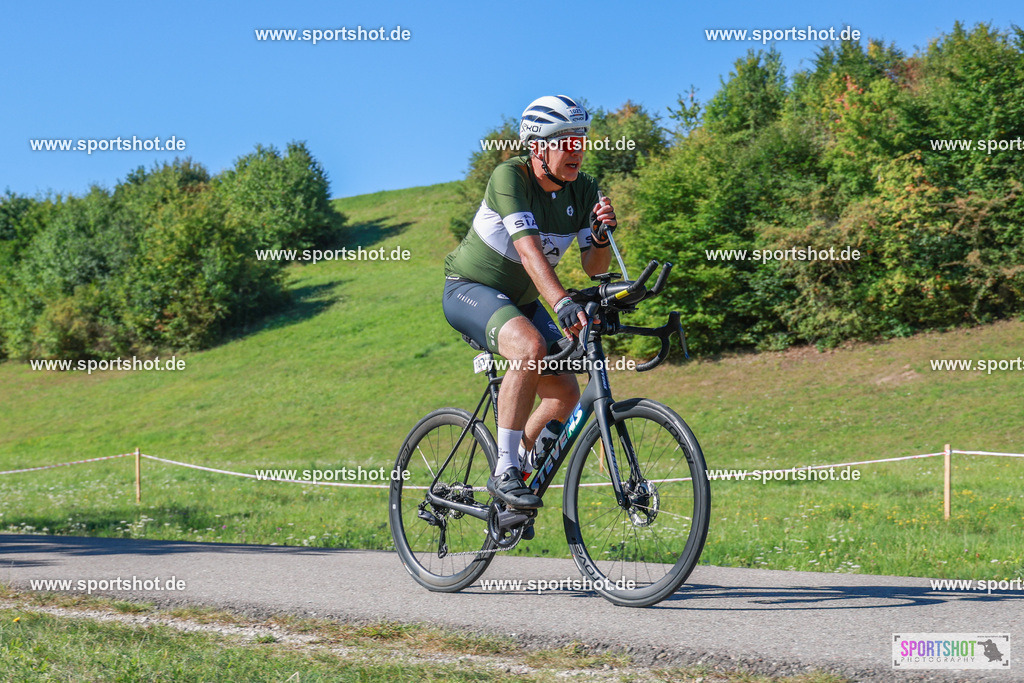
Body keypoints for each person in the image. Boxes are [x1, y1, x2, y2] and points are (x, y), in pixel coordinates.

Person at [442, 95, 617, 510]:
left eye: (580, 138)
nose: (576, 149)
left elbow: (595, 268)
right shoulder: (510, 177)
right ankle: (504, 470)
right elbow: (529, 253)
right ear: (538, 146)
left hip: (520, 300)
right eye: (564, 140)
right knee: (529, 347)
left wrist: (599, 236)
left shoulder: (585, 187)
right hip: (469, 288)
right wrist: (560, 303)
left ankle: (518, 468)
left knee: (564, 394)